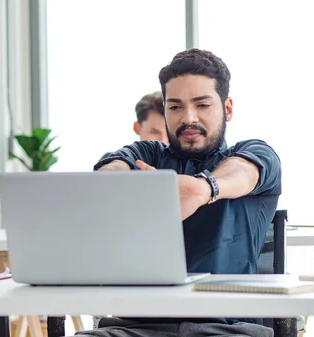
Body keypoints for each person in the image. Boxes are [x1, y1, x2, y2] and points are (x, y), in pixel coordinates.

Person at [80, 48, 281, 337]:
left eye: (202, 105)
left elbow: (243, 172)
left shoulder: (253, 154)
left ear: (227, 108)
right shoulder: (146, 154)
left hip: (225, 330)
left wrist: (202, 189)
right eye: (175, 107)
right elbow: (107, 177)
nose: (188, 118)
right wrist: (117, 185)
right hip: (136, 329)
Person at [100, 92, 168, 161]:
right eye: (154, 132)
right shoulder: (110, 161)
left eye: (169, 134)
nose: (163, 141)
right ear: (137, 128)